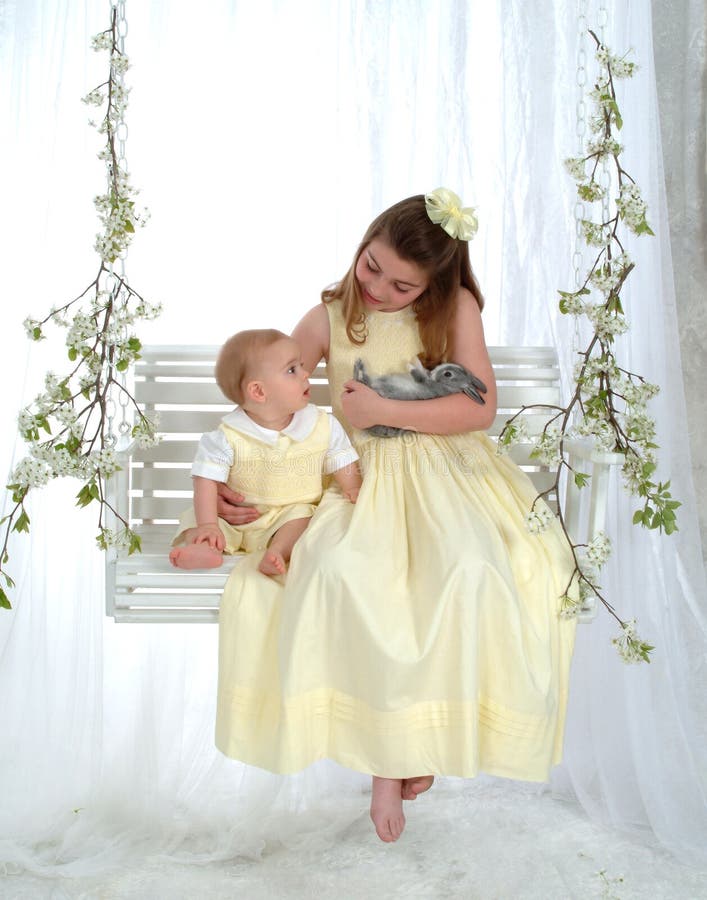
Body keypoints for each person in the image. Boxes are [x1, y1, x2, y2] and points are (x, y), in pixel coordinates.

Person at [214, 190, 577, 842]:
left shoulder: (455, 308)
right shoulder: (329, 317)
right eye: (370, 265)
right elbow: (273, 394)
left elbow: (477, 407)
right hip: (362, 478)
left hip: (449, 474)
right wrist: (229, 471)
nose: (377, 287)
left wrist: (385, 411)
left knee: (471, 568)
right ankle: (391, 761)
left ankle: (419, 745)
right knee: (348, 572)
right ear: (363, 245)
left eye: (400, 282)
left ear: (435, 281)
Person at [169, 329, 362, 577]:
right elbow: (205, 479)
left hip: (289, 514)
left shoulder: (321, 424)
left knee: (304, 519)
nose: (306, 374)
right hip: (238, 519)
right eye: (292, 370)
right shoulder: (228, 436)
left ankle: (278, 552)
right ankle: (204, 548)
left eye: (301, 366)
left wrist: (353, 487)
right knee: (196, 522)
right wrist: (209, 524)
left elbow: (342, 458)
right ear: (259, 392)